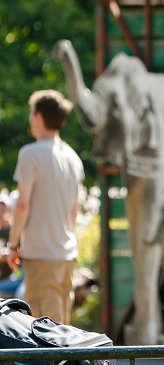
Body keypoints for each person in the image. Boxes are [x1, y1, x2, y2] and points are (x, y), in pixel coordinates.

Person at [7, 90, 84, 324]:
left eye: (31, 113)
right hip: (66, 254)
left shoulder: (30, 154)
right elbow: (74, 211)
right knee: (63, 328)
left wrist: (13, 245)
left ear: (39, 117)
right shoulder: (73, 157)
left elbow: (22, 205)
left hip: (41, 255)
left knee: (45, 333)